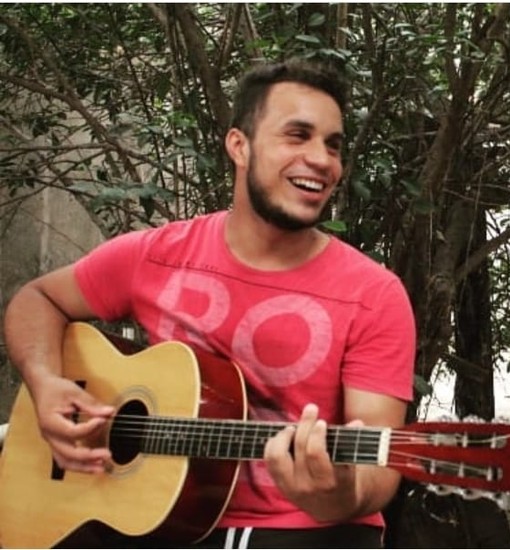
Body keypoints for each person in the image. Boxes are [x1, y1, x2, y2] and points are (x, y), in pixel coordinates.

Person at [2, 59, 416, 548]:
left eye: (332, 144)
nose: (323, 160)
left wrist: (334, 494)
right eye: (297, 135)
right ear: (239, 146)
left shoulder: (374, 295)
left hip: (294, 529)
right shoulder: (157, 254)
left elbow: (376, 475)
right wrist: (47, 383)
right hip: (140, 511)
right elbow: (38, 299)